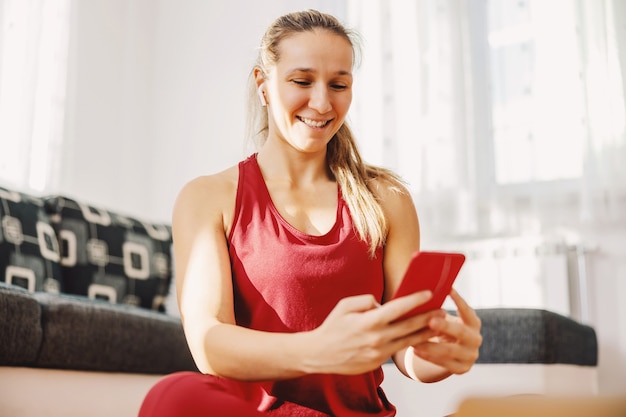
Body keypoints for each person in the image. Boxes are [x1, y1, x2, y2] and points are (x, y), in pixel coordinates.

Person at [139, 9, 482, 417]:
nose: (321, 102)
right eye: (302, 81)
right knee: (175, 396)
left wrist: (440, 354)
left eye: (339, 84)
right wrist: (318, 350)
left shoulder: (386, 199)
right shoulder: (208, 197)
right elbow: (209, 343)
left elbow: (405, 347)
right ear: (263, 84)